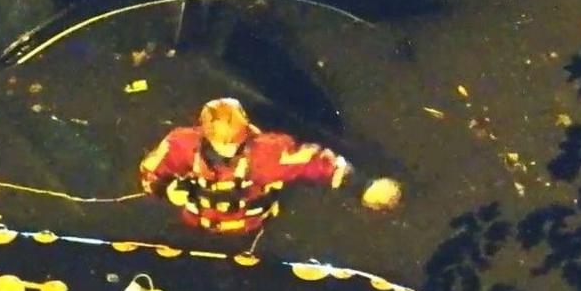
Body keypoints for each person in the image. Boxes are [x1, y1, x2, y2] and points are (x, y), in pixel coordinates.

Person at [138, 98, 402, 235]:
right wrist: (165, 187)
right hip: (194, 225)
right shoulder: (181, 144)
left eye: (232, 143)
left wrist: (362, 185)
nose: (226, 150)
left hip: (250, 229)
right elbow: (151, 170)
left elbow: (315, 160)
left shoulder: (268, 152)